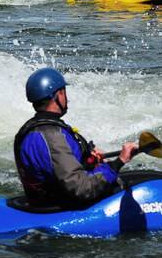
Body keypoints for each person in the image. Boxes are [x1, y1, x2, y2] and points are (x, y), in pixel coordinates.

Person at [14, 67, 138, 207]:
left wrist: (88, 158)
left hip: (45, 200)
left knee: (139, 176)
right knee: (144, 183)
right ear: (57, 95)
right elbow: (81, 188)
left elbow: (56, 168)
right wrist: (119, 162)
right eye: (64, 92)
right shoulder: (52, 136)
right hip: (62, 207)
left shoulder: (31, 129)